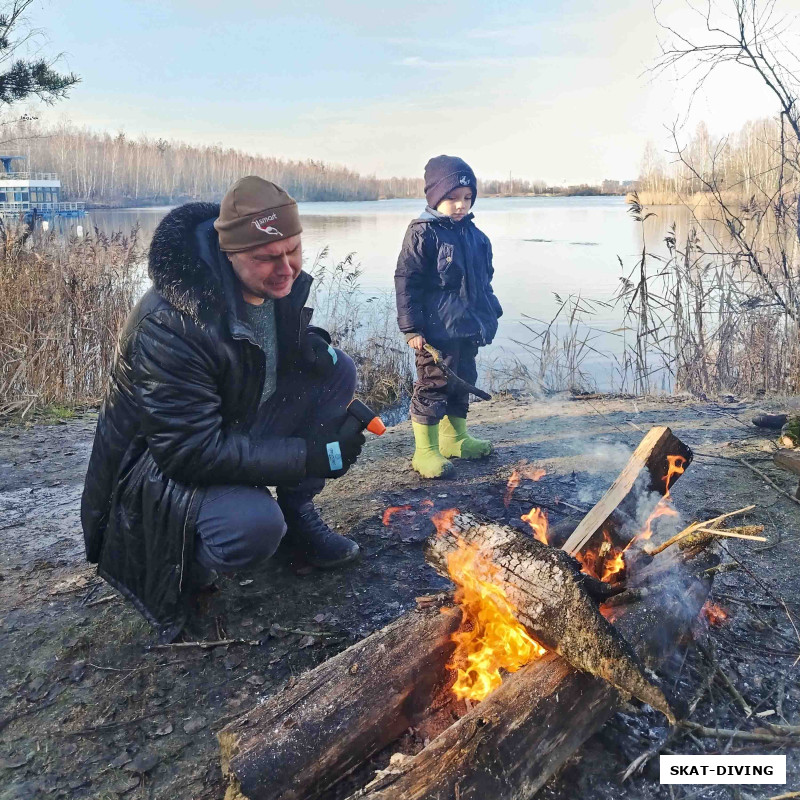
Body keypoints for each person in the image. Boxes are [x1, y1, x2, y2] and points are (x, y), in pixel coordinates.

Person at [81, 177, 365, 642]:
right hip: (153, 472)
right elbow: (187, 451)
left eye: (294, 249)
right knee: (252, 527)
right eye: (267, 258)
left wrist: (308, 347)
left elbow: (251, 359)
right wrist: (308, 455)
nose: (287, 269)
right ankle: (183, 565)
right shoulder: (170, 324)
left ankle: (299, 516)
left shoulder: (272, 287)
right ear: (227, 252)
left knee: (338, 371)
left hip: (229, 427)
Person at [395, 155, 502, 478]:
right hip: (435, 332)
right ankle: (425, 451)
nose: (460, 205)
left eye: (467, 198)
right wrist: (411, 327)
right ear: (435, 198)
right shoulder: (422, 233)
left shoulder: (476, 236)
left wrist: (490, 312)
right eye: (452, 198)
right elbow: (406, 281)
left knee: (463, 381)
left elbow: (485, 280)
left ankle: (454, 439)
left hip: (467, 329)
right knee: (433, 384)